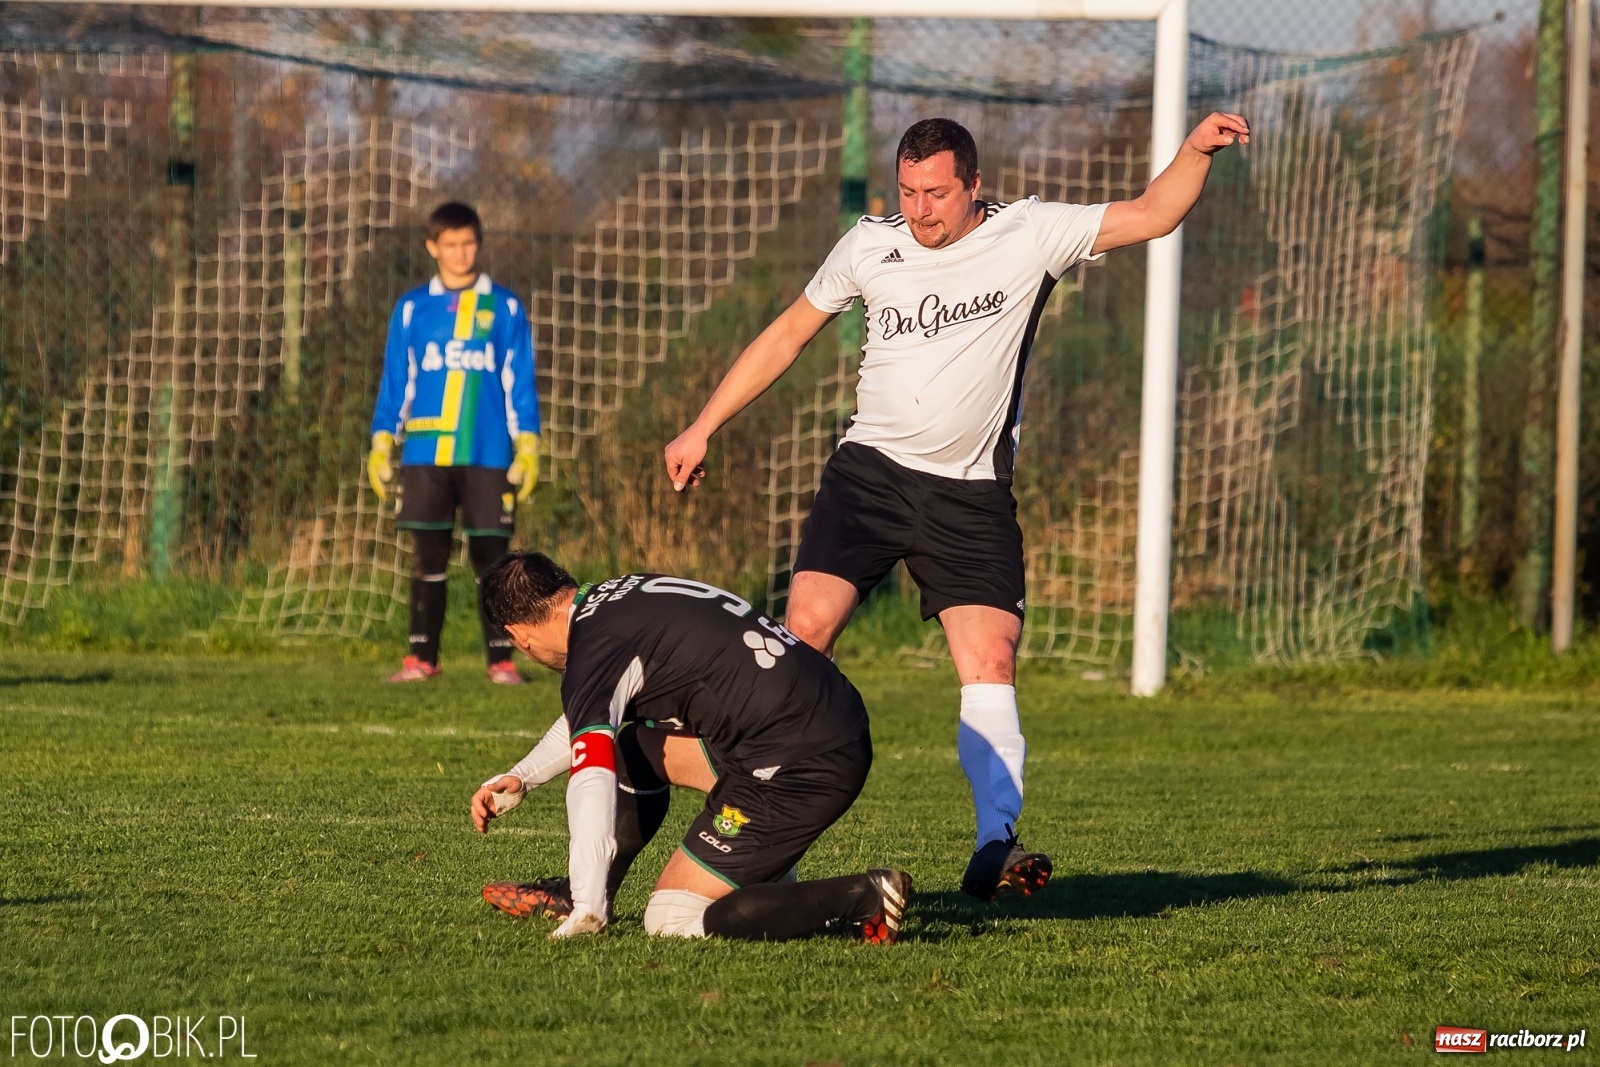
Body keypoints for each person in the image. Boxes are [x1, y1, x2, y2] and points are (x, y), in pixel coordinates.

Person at [663, 114, 1250, 900]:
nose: (920, 208)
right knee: (802, 636)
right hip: (868, 477)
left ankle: (995, 846)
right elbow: (788, 334)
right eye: (907, 191)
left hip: (969, 494)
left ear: (974, 185)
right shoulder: (870, 245)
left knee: (991, 660)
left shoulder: (1030, 233)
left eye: (936, 192)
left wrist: (1193, 153)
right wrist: (704, 424)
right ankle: (767, 840)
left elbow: (1152, 213)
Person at [470, 552, 913, 944]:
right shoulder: (619, 595)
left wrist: (589, 907)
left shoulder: (594, 649)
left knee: (671, 919)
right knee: (635, 748)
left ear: (518, 635)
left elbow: (592, 778)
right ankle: (580, 893)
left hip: (801, 762)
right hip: (818, 721)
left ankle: (863, 895)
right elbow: (594, 710)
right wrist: (524, 775)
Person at [366, 201, 542, 685]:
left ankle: (501, 662)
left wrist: (528, 444)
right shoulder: (412, 309)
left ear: (478, 244)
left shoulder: (503, 306)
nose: (461, 252)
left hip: (488, 454)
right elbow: (396, 380)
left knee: (495, 563)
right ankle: (422, 659)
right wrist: (382, 441)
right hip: (426, 454)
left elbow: (518, 380)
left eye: (468, 242)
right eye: (450, 244)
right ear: (432, 247)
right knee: (428, 558)